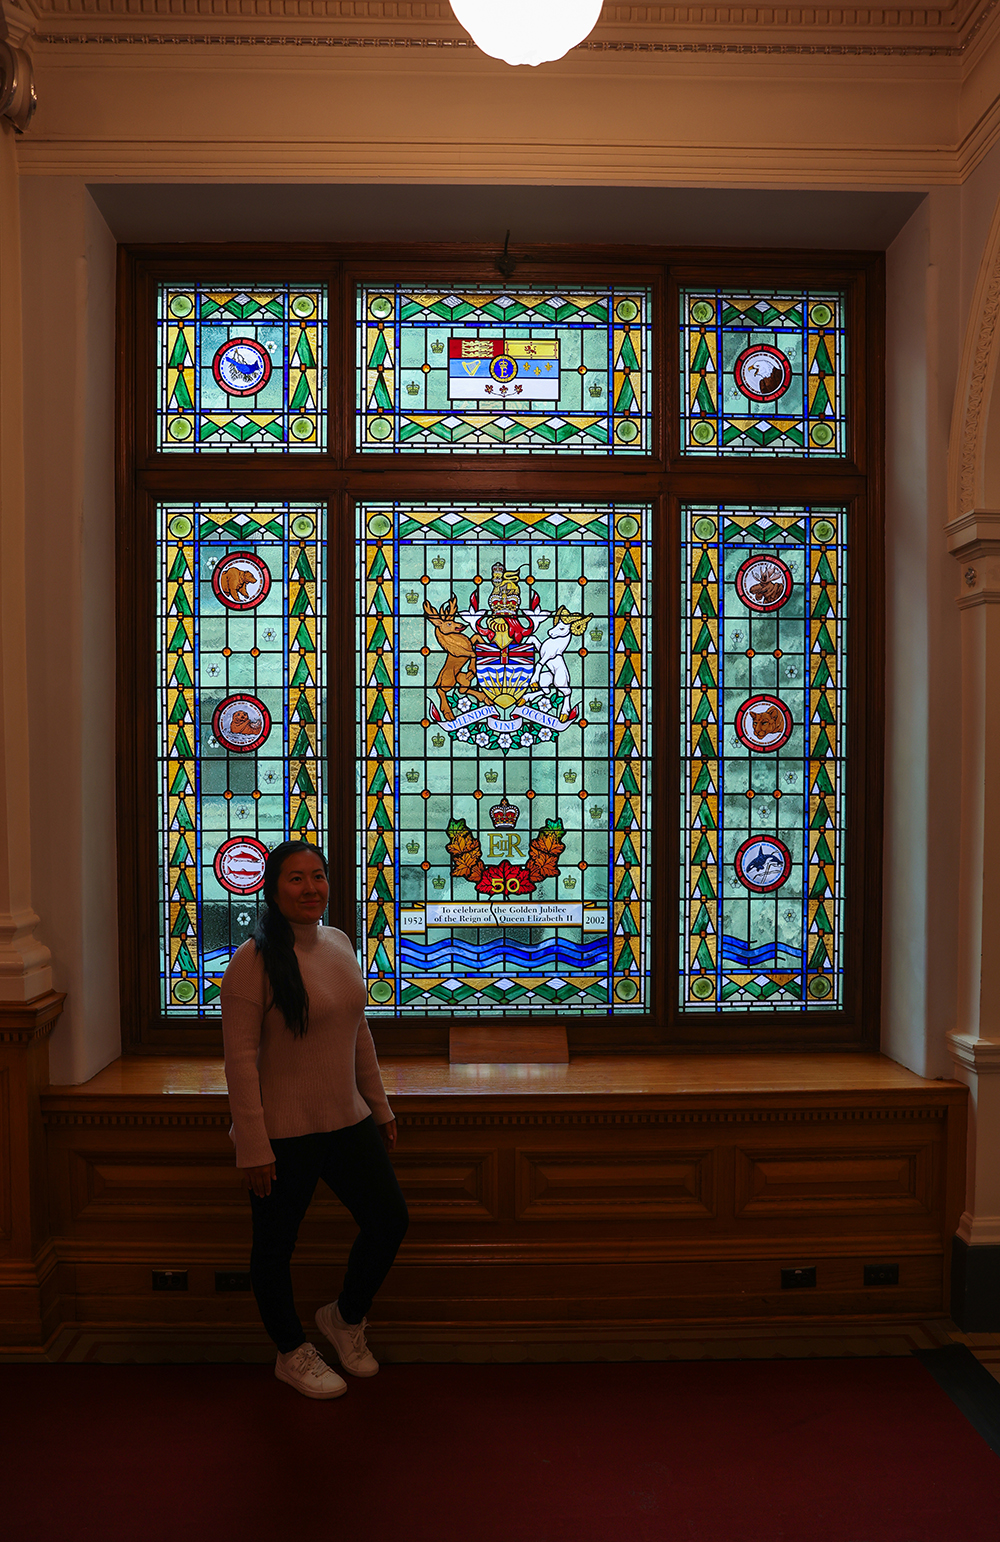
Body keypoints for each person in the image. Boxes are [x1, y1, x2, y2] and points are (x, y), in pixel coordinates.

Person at [221, 840, 408, 1400]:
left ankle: (344, 1319)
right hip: (281, 1134)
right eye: (297, 879)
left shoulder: (339, 943)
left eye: (319, 876)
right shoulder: (252, 962)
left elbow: (359, 1033)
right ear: (273, 889)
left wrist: (379, 1108)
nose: (311, 888)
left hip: (346, 1120)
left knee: (389, 1221)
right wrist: (252, 1145)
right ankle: (290, 1350)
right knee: (275, 1250)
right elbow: (240, 1060)